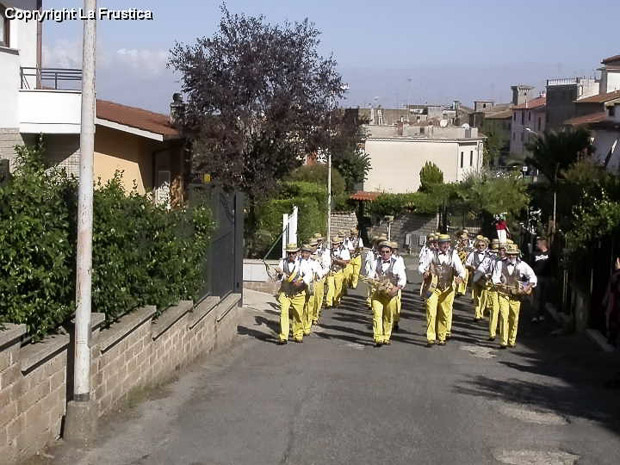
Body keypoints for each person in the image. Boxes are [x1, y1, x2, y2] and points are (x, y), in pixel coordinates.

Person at [418, 234, 465, 346]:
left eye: (447, 243)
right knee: (431, 312)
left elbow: (461, 270)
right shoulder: (431, 254)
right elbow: (421, 266)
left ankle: (442, 336)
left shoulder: (453, 254)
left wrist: (460, 277)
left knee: (444, 313)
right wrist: (424, 272)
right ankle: (430, 337)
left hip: (448, 288)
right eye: (443, 243)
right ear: (438, 244)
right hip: (433, 288)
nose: (446, 245)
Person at [492, 244, 537, 349]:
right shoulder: (500, 263)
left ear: (517, 254)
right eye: (510, 254)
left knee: (514, 318)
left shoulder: (523, 265)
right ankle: (503, 341)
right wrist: (498, 283)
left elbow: (532, 277)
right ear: (507, 254)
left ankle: (511, 340)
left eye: (514, 254)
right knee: (504, 316)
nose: (511, 256)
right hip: (503, 294)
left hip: (516, 296)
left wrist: (527, 287)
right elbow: (495, 277)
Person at [367, 241, 407, 346]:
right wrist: (374, 281)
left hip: (391, 294)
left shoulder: (397, 263)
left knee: (388, 317)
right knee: (377, 315)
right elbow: (370, 276)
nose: (385, 254)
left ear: (391, 252)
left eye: (387, 251)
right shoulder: (375, 262)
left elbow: (402, 279)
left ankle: (386, 336)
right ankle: (378, 337)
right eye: (383, 251)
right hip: (378, 294)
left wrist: (397, 288)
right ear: (380, 252)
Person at [276, 243, 313, 344]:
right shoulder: (282, 262)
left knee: (298, 315)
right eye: (289, 253)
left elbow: (309, 274)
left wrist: (302, 282)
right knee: (283, 312)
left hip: (298, 293)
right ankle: (283, 336)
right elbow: (278, 277)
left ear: (297, 253)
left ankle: (298, 334)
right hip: (286, 292)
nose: (291, 255)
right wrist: (280, 274)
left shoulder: (302, 263)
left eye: (293, 253)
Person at [475, 241, 504, 341]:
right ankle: (492, 333)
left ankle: (501, 329)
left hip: (505, 290)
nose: (500, 252)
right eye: (499, 250)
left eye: (503, 250)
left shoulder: (513, 262)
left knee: (503, 311)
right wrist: (484, 275)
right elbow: (482, 268)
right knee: (494, 310)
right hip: (493, 287)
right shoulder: (490, 259)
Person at [466, 236, 490, 321]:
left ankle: (481, 312)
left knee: (484, 296)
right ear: (476, 246)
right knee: (476, 296)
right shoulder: (473, 254)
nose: (481, 247)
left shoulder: (489, 255)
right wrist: (471, 267)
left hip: (485, 278)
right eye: (479, 245)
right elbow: (467, 264)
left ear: (485, 246)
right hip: (475, 277)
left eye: (483, 245)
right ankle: (477, 314)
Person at [530, 236, 552, 323]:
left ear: (543, 244)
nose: (536, 245)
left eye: (538, 243)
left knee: (544, 297)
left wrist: (553, 277)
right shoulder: (534, 254)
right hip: (537, 277)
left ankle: (542, 314)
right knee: (537, 296)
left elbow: (554, 265)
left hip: (546, 277)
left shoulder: (550, 254)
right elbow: (531, 266)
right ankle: (535, 315)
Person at [326, 236, 350, 308]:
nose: (334, 245)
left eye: (336, 244)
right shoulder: (329, 251)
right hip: (331, 271)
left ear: (339, 244)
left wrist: (337, 261)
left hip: (339, 271)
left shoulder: (343, 251)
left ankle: (336, 301)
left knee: (338, 287)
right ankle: (329, 303)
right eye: (333, 244)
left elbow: (347, 261)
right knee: (330, 287)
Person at [603, 257, 620, 347]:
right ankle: (612, 337)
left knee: (613, 318)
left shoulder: (616, 275)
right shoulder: (615, 275)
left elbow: (610, 289)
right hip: (613, 299)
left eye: (617, 262)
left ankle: (612, 337)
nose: (615, 264)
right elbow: (609, 289)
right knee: (612, 317)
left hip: (615, 300)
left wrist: (605, 300)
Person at [390, 241, 405, 331]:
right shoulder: (385, 258)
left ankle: (395, 320)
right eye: (392, 249)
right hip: (387, 284)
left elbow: (402, 271)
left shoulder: (400, 259)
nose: (393, 251)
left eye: (395, 249)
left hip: (396, 285)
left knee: (397, 304)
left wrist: (400, 283)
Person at [456, 230, 471, 296]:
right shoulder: (458, 247)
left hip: (465, 265)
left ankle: (461, 291)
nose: (465, 241)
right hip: (459, 265)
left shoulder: (469, 247)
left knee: (465, 278)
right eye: (463, 240)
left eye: (466, 240)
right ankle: (457, 291)